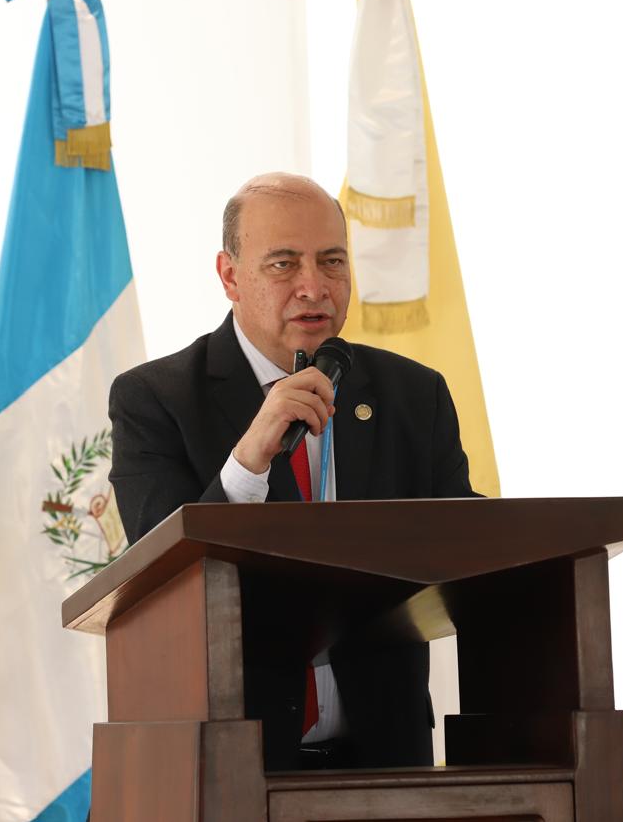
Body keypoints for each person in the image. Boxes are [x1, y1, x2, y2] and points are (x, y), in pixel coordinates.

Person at [108, 172, 478, 772]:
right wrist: (248, 461)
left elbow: (468, 547)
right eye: (284, 264)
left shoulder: (415, 395)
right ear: (230, 276)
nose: (314, 287)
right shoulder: (155, 399)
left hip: (384, 765)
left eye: (332, 261)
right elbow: (160, 579)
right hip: (225, 763)